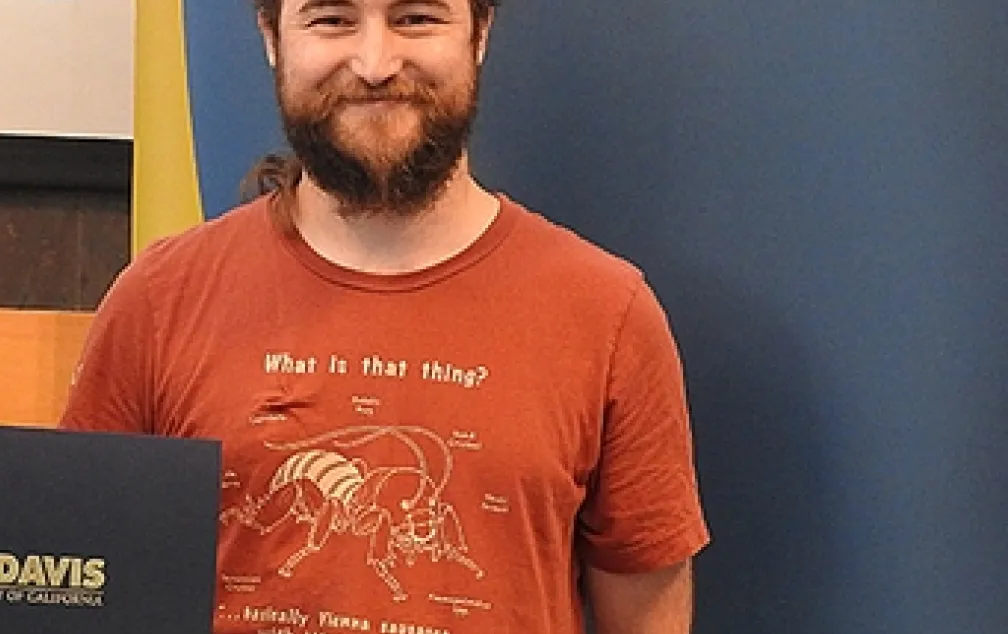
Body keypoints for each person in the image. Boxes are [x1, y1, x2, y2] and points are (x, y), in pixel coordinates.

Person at [61, 0, 708, 632]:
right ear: (272, 38)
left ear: (479, 33)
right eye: (333, 19)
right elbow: (81, 583)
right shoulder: (160, 299)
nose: (375, 63)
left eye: (415, 18)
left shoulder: (608, 316)